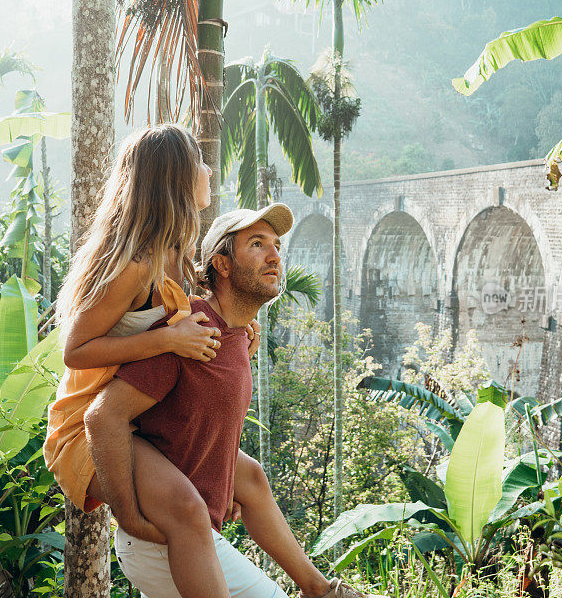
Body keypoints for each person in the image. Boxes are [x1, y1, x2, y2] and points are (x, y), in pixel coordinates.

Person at [86, 206, 382, 598]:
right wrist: (130, 518)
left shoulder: (238, 335)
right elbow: (103, 416)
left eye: (276, 245)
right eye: (257, 245)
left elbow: (197, 426)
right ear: (222, 265)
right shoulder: (190, 333)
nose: (275, 256)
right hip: (164, 539)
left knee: (252, 474)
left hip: (187, 535)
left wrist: (221, 478)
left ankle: (323, 591)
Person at [43, 124, 276, 598]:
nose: (209, 170)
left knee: (246, 475)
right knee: (188, 511)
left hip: (132, 420)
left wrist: (232, 333)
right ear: (176, 177)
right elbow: (76, 350)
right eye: (200, 162)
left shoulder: (175, 255)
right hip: (88, 426)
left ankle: (318, 587)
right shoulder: (133, 264)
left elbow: (178, 319)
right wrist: (169, 340)